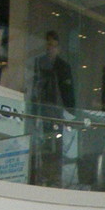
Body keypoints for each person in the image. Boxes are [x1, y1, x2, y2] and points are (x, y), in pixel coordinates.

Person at [30, 31, 75, 185]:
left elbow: (68, 92)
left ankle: (55, 175)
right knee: (43, 142)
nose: (51, 49)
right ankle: (45, 174)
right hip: (44, 108)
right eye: (49, 45)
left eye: (54, 46)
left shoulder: (63, 66)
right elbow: (35, 87)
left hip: (56, 109)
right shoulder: (40, 62)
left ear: (58, 48)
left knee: (56, 142)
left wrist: (71, 112)